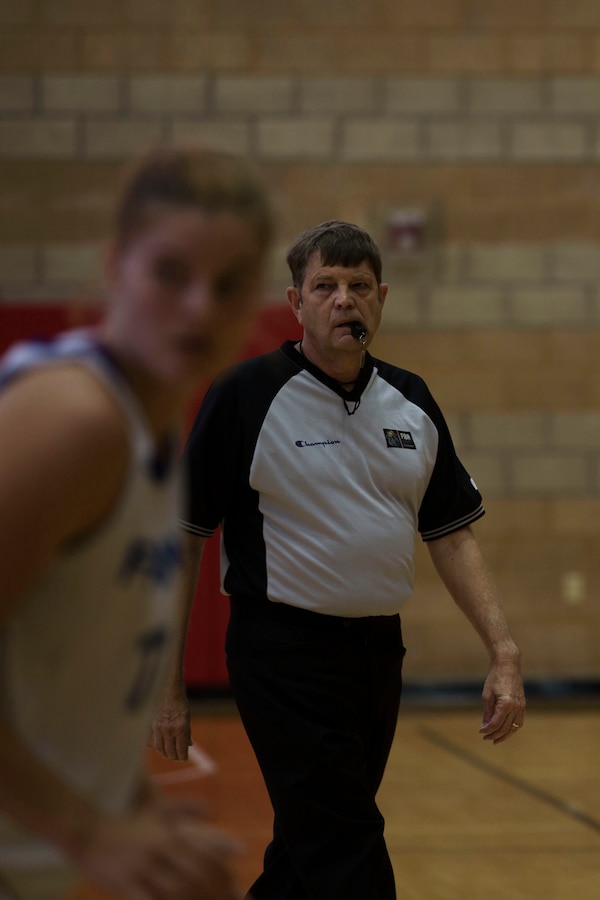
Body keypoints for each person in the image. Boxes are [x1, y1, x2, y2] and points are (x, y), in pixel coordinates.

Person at [152, 220, 526, 900]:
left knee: (308, 853)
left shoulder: (410, 401)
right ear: (296, 304)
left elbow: (451, 535)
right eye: (325, 286)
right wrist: (167, 679)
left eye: (357, 286)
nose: (343, 300)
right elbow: (183, 538)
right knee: (349, 851)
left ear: (380, 297)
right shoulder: (245, 396)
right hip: (282, 655)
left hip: (378, 656)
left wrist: (503, 651)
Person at [0, 145, 274, 900]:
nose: (199, 308)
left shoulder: (151, 433)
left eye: (228, 284)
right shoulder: (72, 420)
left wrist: (139, 810)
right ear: (115, 264)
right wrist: (89, 831)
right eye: (171, 273)